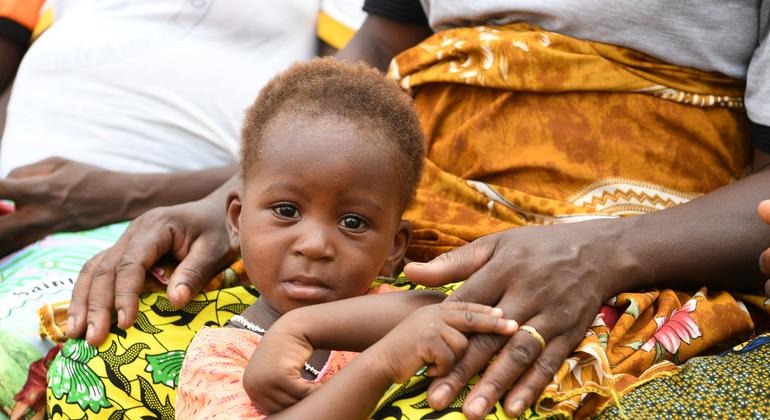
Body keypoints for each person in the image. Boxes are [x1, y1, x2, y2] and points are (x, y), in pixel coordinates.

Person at [67, 1, 770, 418]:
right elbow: (379, 49)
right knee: (95, 355)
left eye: (335, 225)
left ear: (391, 243)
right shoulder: (324, 237)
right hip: (405, 200)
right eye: (280, 214)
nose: (309, 243)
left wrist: (603, 251)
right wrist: (242, 199)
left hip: (637, 238)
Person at [175, 57, 518, 418]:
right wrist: (383, 362)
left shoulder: (388, 305)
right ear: (236, 219)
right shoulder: (219, 358)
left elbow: (441, 308)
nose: (314, 245)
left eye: (352, 222)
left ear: (394, 247)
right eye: (287, 211)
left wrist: (302, 326)